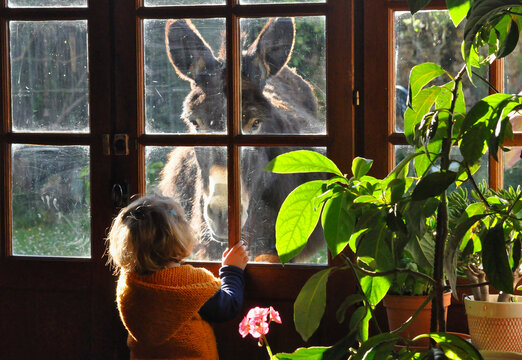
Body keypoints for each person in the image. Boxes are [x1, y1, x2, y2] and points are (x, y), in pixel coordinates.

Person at [106, 195, 248, 359]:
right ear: (179, 240)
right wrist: (232, 269)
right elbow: (228, 306)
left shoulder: (130, 282)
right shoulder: (187, 284)